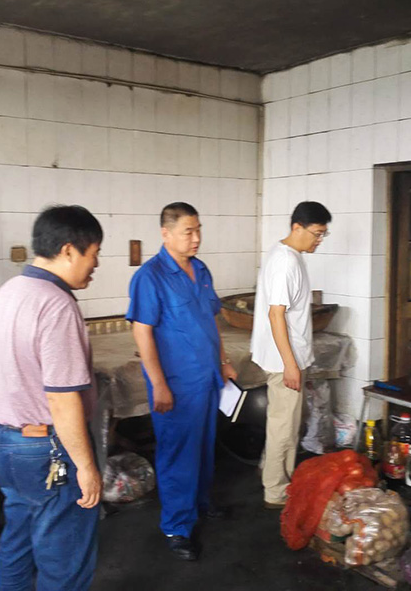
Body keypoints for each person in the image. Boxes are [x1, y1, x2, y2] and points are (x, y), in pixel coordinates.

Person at [0, 205, 103, 590]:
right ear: (68, 250)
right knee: (63, 557)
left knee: (17, 542)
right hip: (47, 450)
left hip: (6, 443)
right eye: (94, 253)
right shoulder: (56, 304)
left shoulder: (8, 293)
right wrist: (86, 466)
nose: (96, 264)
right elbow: (62, 400)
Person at [126, 202, 238, 561]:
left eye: (198, 229)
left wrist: (224, 362)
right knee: (178, 454)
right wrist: (158, 384)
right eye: (188, 231)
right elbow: (142, 332)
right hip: (176, 384)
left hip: (207, 378)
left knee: (204, 447)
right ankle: (177, 527)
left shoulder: (201, 269)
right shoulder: (150, 277)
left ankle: (201, 503)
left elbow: (212, 321)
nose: (196, 238)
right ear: (166, 233)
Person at [250, 201, 332, 509]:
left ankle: (270, 470)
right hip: (284, 359)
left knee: (283, 422)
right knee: (284, 427)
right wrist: (290, 364)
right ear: (297, 227)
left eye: (323, 234)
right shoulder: (286, 262)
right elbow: (276, 315)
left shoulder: (287, 254)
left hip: (286, 356)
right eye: (316, 233)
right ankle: (275, 490)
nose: (319, 240)